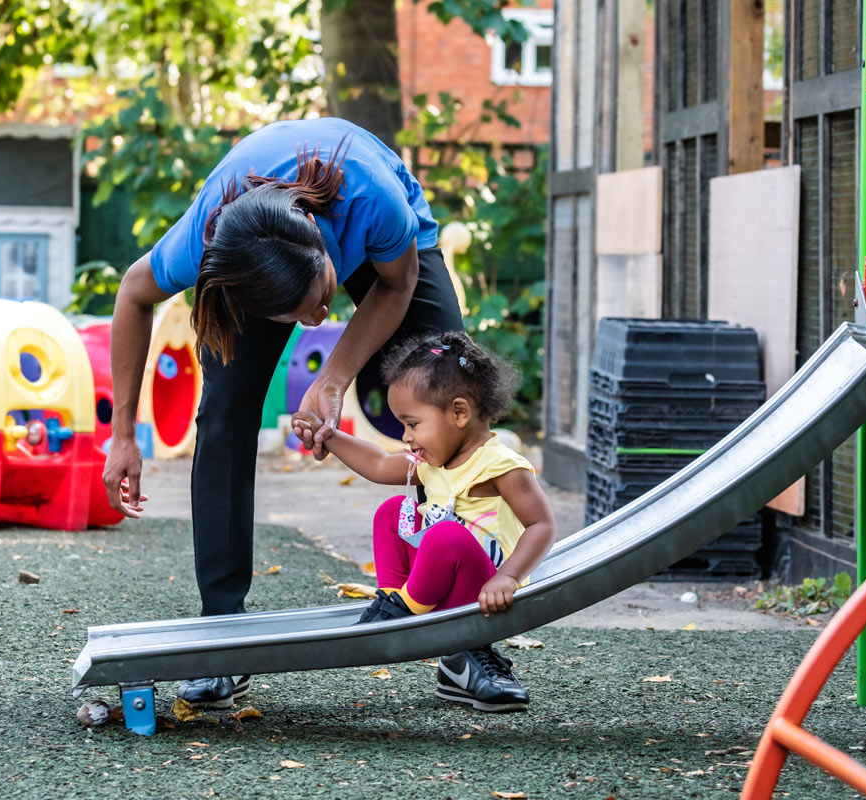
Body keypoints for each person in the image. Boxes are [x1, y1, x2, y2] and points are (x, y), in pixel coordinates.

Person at [103, 117, 464, 709]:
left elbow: (397, 286)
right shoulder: (207, 238)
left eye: (321, 301)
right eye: (297, 317)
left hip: (388, 239)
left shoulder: (374, 198)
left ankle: (466, 636)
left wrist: (332, 377)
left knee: (451, 399)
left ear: (326, 250)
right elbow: (133, 293)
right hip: (257, 251)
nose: (317, 321)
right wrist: (122, 436)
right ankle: (222, 638)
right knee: (224, 413)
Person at [291, 331, 554, 712]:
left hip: (484, 591)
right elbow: (379, 464)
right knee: (392, 512)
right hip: (438, 580)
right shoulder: (432, 460)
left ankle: (416, 618)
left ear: (459, 413)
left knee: (446, 534)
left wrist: (508, 577)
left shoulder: (499, 464)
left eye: (412, 424)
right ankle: (396, 601)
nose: (406, 436)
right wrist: (328, 436)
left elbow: (542, 525)